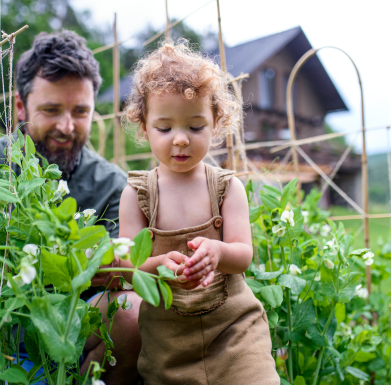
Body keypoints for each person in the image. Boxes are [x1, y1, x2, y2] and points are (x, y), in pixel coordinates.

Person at [0, 30, 142, 384]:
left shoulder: (112, 185)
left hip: (71, 334)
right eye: (51, 110)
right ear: (21, 106)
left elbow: (118, 274)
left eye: (80, 112)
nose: (66, 127)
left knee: (133, 313)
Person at [118, 41, 280, 384]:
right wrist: (155, 266)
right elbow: (127, 268)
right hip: (168, 339)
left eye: (195, 127)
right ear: (144, 127)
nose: (180, 140)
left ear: (216, 124)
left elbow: (243, 255)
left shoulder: (225, 187)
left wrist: (217, 251)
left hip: (234, 329)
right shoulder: (136, 195)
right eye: (165, 128)